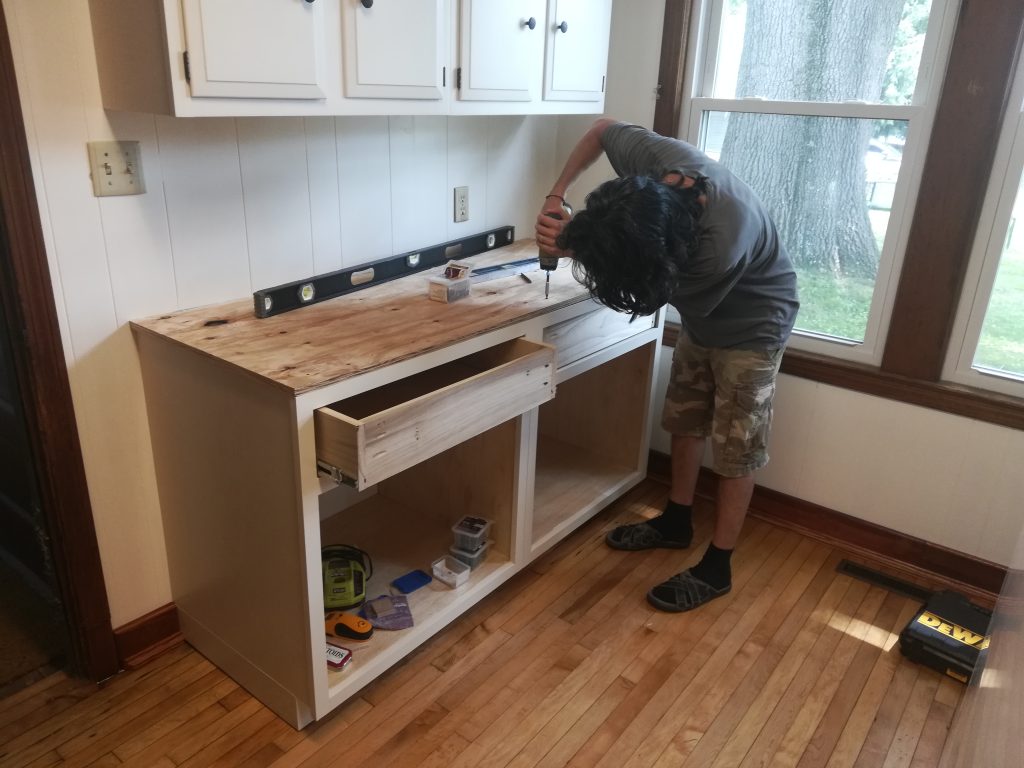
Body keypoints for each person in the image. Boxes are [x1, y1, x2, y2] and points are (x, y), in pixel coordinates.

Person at [535, 119, 799, 613]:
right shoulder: (660, 165)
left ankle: (718, 566)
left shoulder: (720, 245)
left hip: (754, 325)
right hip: (704, 320)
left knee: (737, 447)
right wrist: (557, 195)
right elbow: (602, 130)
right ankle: (677, 521)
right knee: (685, 416)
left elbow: (648, 293)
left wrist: (572, 247)